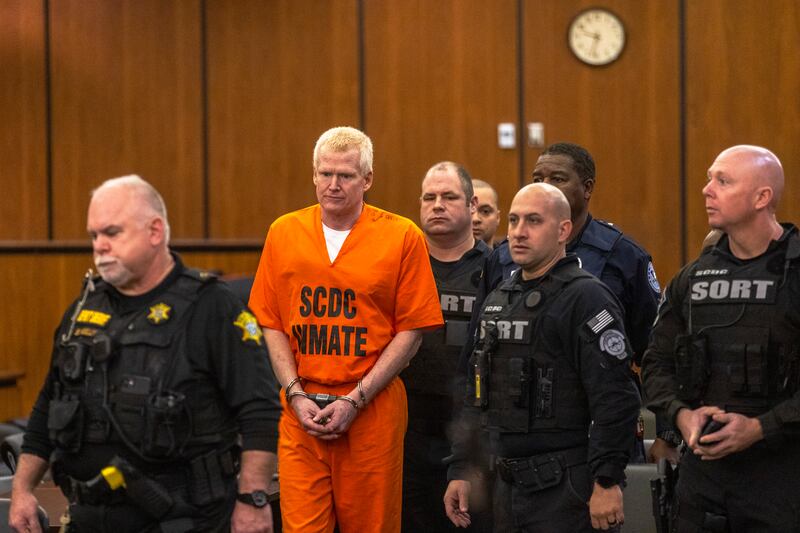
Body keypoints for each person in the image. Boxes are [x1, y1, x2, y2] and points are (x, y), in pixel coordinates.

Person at [9, 175, 281, 533]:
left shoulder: (212, 307)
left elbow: (259, 409)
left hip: (182, 519)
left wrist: (253, 500)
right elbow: (51, 401)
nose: (100, 246)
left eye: (112, 232)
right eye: (94, 235)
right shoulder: (85, 308)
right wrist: (22, 489)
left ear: (155, 232)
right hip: (89, 517)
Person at [248, 126, 443, 533]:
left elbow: (412, 332)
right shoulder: (283, 232)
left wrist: (355, 399)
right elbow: (271, 322)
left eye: (346, 176)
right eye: (325, 174)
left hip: (372, 410)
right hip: (301, 409)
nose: (333, 185)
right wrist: (295, 394)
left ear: (367, 179)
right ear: (313, 174)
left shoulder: (402, 235)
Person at [444, 183, 640, 532]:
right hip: (505, 487)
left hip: (567, 487)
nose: (519, 232)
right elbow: (476, 394)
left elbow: (615, 398)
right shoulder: (498, 299)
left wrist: (607, 481)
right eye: (515, 220)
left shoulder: (587, 297)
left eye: (533, 221)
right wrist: (462, 468)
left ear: (563, 230)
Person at [467, 143, 674, 463]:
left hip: (593, 432)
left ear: (587, 188)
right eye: (538, 177)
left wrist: (666, 433)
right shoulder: (505, 256)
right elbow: (476, 352)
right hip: (517, 434)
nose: (545, 185)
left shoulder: (622, 255)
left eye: (558, 179)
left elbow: (656, 350)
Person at [642, 145, 800, 532]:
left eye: (723, 181)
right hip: (704, 483)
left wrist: (760, 428)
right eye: (710, 178)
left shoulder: (794, 274)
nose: (706, 189)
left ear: (762, 197)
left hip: (783, 477)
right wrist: (681, 415)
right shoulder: (692, 278)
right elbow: (654, 365)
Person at [400, 162, 492, 532]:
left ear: (472, 206)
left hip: (475, 437)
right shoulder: (400, 262)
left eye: (449, 197)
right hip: (409, 432)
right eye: (429, 197)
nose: (437, 204)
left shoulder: (497, 267)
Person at [471, 179, 501, 248]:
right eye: (470, 210)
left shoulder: (510, 258)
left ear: (498, 217)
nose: (475, 219)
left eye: (485, 211)